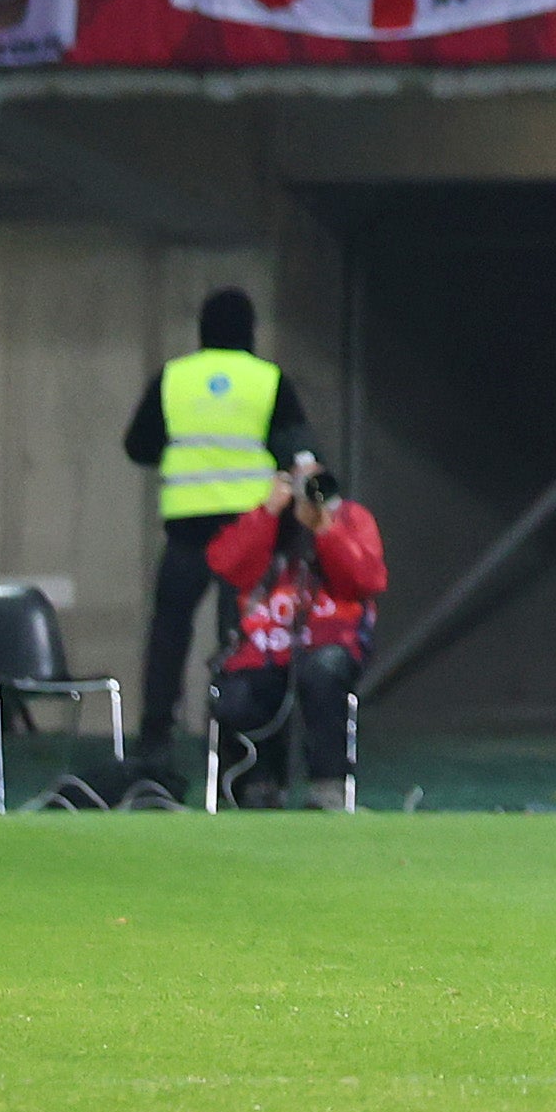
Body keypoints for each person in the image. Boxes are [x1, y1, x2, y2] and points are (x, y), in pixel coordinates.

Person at [123, 289, 311, 769]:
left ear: (202, 329)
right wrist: (331, 499)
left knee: (169, 633)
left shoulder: (174, 378)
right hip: (250, 536)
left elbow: (137, 446)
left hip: (186, 532)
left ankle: (156, 737)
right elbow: (302, 454)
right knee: (243, 640)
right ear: (250, 330)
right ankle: (239, 747)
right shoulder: (268, 381)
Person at [203, 451, 386, 806]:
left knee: (323, 671)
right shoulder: (265, 521)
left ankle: (327, 785)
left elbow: (367, 580)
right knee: (240, 688)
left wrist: (325, 529)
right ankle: (258, 784)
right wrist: (270, 510)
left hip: (330, 640)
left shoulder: (351, 517)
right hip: (266, 643)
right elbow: (225, 564)